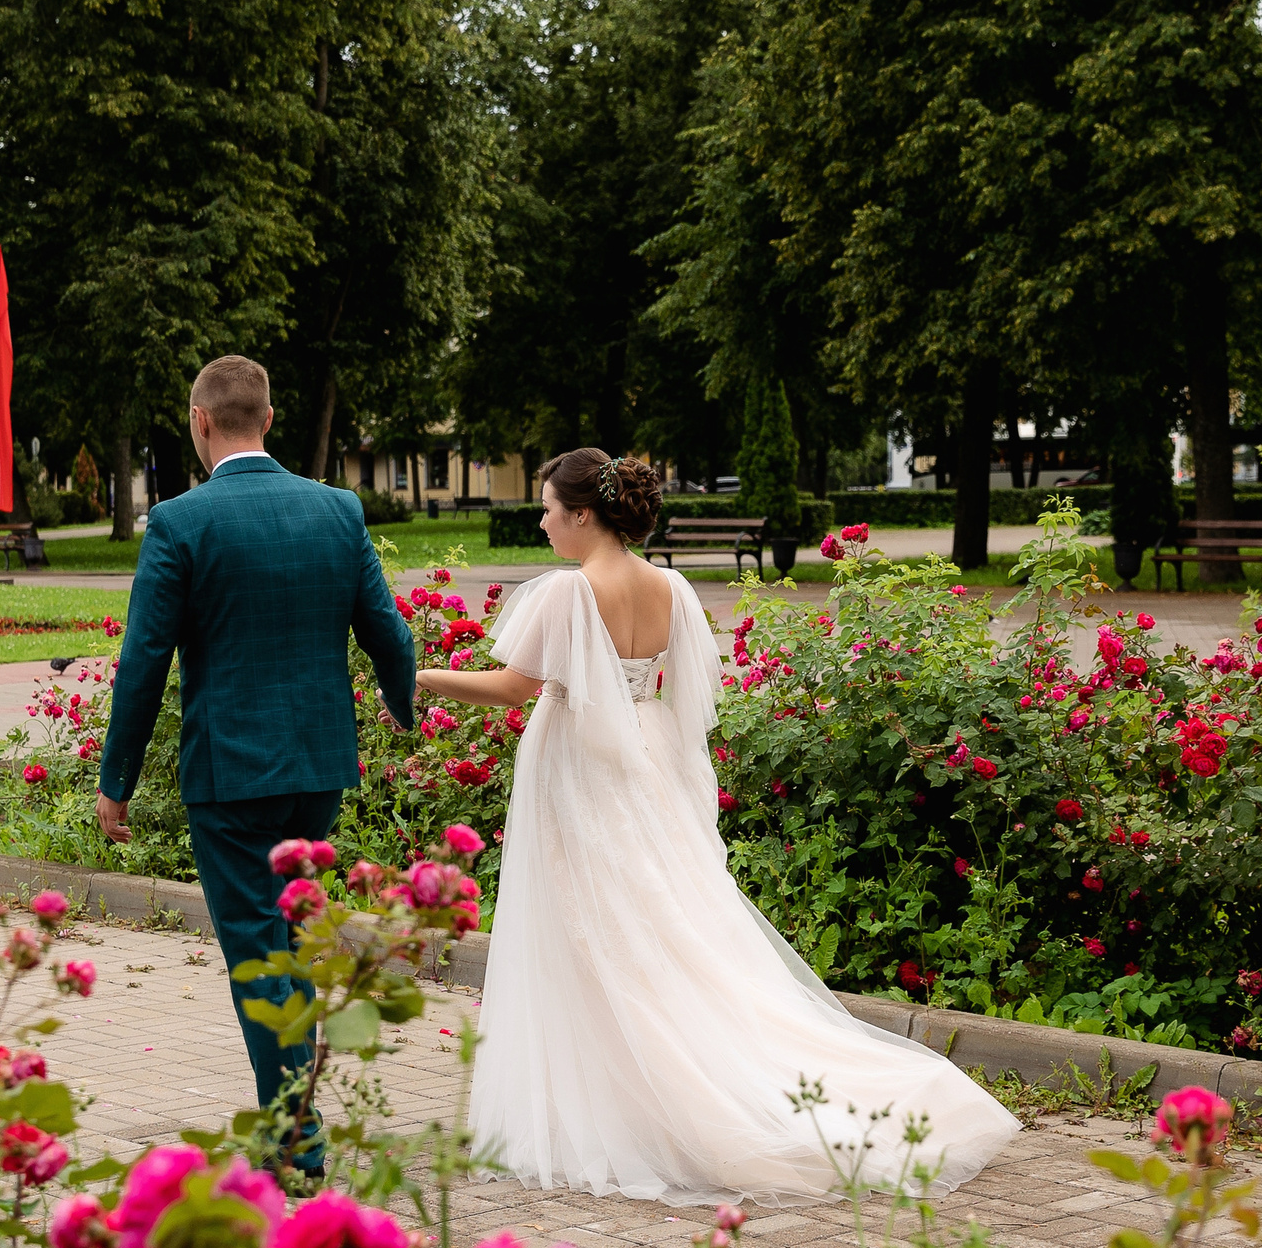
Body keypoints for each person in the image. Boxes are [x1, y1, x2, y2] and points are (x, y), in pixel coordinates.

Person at [414, 448, 1018, 1204]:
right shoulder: (669, 586)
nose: (540, 521)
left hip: (581, 761)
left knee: (592, 923)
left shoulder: (569, 594)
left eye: (546, 509)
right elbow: (682, 693)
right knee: (660, 917)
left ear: (581, 514)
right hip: (647, 754)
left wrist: (422, 677)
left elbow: (515, 687)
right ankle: (640, 1075)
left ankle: (628, 1093)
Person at [96, 355, 416, 1171]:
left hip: (231, 776)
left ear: (200, 422)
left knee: (256, 951)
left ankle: (296, 1139)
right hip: (318, 770)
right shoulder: (338, 510)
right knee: (296, 938)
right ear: (268, 419)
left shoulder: (179, 523)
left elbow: (143, 662)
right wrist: (402, 710)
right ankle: (297, 1115)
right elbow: (389, 634)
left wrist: (117, 779)